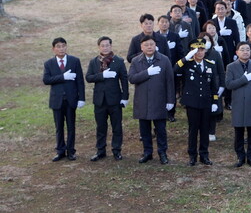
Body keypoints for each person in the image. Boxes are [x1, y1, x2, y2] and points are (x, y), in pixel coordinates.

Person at [128, 35, 175, 164]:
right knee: (144, 130)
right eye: (146, 45)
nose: (149, 47)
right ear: (141, 47)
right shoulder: (136, 61)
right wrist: (147, 73)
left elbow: (170, 81)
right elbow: (131, 78)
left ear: (155, 46)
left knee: (160, 130)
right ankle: (147, 152)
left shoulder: (164, 60)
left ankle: (162, 153)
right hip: (142, 101)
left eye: (152, 44)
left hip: (159, 100)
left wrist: (170, 100)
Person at [174, 38, 220, 166]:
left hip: (206, 101)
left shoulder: (210, 64)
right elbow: (175, 70)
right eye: (197, 50)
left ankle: (204, 155)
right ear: (192, 51)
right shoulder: (187, 64)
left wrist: (215, 101)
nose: (200, 52)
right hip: (192, 102)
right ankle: (192, 155)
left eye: (202, 49)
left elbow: (213, 86)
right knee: (193, 129)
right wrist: (185, 58)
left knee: (205, 130)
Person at [85, 36, 128, 161]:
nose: (105, 48)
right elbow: (89, 77)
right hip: (99, 100)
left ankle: (116, 150)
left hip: (115, 99)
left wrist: (125, 97)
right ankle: (100, 151)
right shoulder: (94, 62)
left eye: (107, 45)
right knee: (101, 127)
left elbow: (124, 79)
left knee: (117, 127)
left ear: (111, 46)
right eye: (103, 45)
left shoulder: (118, 61)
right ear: (99, 47)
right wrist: (102, 75)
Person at [43, 37, 85, 161]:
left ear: (66, 47)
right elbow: (46, 80)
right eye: (58, 47)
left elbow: (80, 81)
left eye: (63, 46)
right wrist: (63, 77)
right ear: (53, 49)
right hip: (57, 100)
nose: (61, 49)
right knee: (59, 127)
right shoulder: (49, 63)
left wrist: (81, 98)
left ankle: (71, 151)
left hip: (71, 99)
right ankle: (60, 150)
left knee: (71, 126)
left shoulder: (74, 61)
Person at [226, 41, 251, 168]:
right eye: (242, 50)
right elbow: (229, 84)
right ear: (237, 52)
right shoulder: (231, 67)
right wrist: (244, 79)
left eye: (247, 50)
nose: (245, 52)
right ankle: (240, 157)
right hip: (238, 104)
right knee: (238, 133)